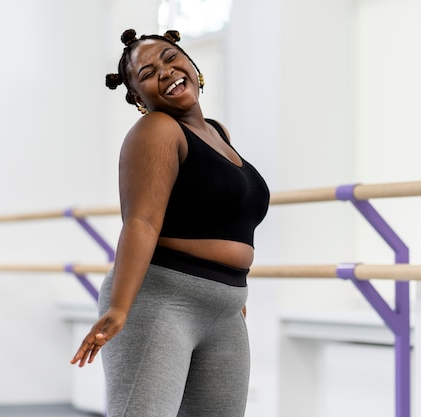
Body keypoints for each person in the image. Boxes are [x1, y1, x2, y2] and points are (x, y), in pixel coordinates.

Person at [71, 28, 270, 417]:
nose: (164, 71)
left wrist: (226, 289)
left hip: (225, 307)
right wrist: (119, 307)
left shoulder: (218, 133)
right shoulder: (157, 129)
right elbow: (142, 221)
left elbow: (230, 220)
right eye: (147, 73)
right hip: (162, 301)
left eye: (169, 57)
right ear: (138, 99)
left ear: (192, 65)